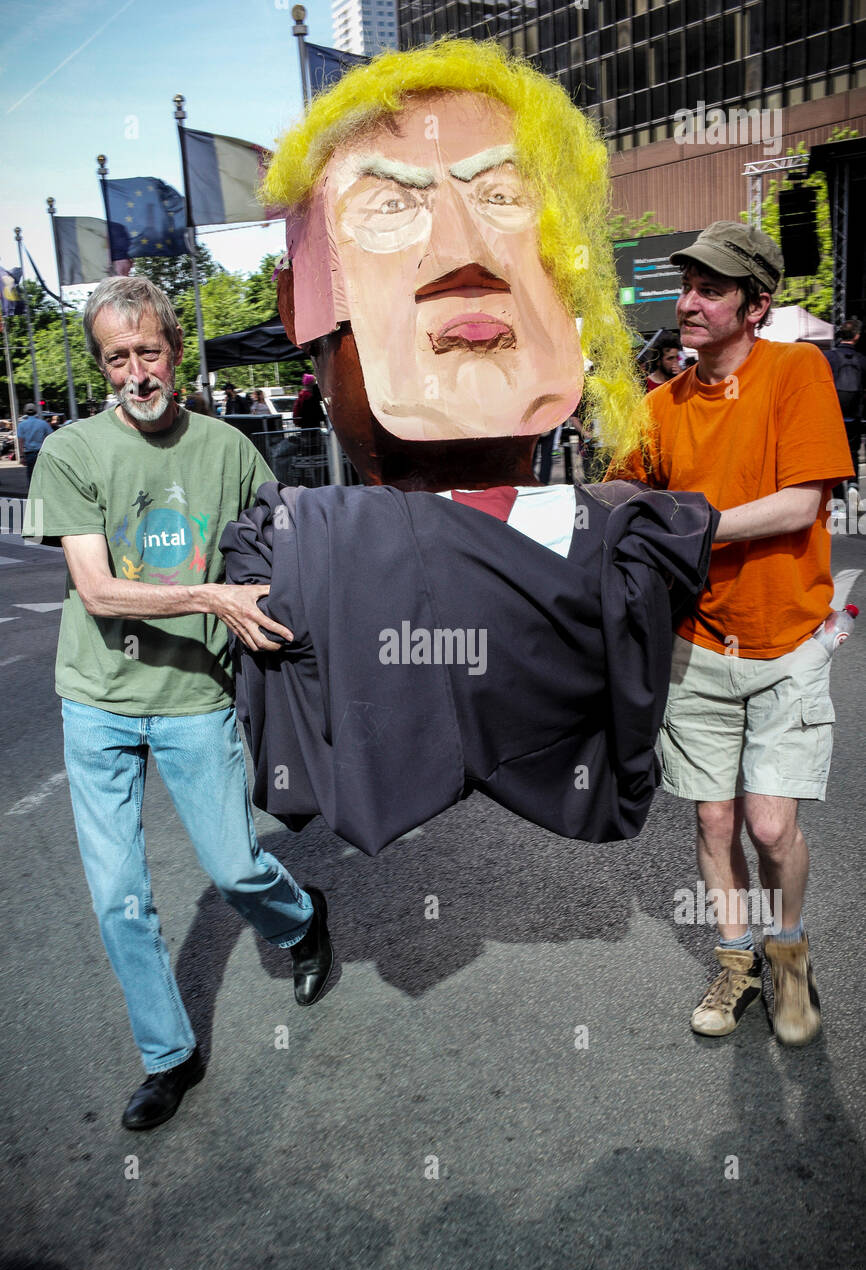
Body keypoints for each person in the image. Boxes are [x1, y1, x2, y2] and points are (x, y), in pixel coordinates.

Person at [219, 41, 717, 856]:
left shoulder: (629, 521)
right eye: (389, 206)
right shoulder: (304, 544)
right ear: (297, 308)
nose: (464, 253)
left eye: (504, 195)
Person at [22, 276, 333, 1132]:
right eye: (116, 358)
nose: (135, 372)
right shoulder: (72, 451)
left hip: (196, 696)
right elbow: (97, 591)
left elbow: (282, 547)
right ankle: (168, 1056)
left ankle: (303, 922)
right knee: (119, 895)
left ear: (175, 354)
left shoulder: (230, 450)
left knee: (234, 868)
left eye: (148, 352)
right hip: (96, 701)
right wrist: (212, 600)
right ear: (101, 366)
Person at [611, 221, 853, 1046]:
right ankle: (736, 958)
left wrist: (684, 524)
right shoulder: (659, 407)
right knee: (715, 823)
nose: (688, 303)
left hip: (786, 643)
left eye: (711, 290)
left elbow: (799, 505)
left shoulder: (797, 370)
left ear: (757, 305)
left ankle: (789, 955)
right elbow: (617, 504)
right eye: (687, 287)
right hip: (696, 648)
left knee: (771, 824)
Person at [825, 318, 863, 504]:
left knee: (833, 456)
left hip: (832, 416)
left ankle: (839, 500)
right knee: (853, 452)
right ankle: (854, 485)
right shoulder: (862, 360)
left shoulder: (829, 358)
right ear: (857, 336)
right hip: (854, 416)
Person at [17, 403, 53, 482]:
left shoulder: (21, 425)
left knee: (31, 476)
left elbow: (20, 441)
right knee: (44, 474)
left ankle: (33, 493)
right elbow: (51, 437)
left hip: (29, 454)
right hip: (41, 453)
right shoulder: (43, 423)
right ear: (36, 411)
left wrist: (21, 456)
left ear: (25, 412)